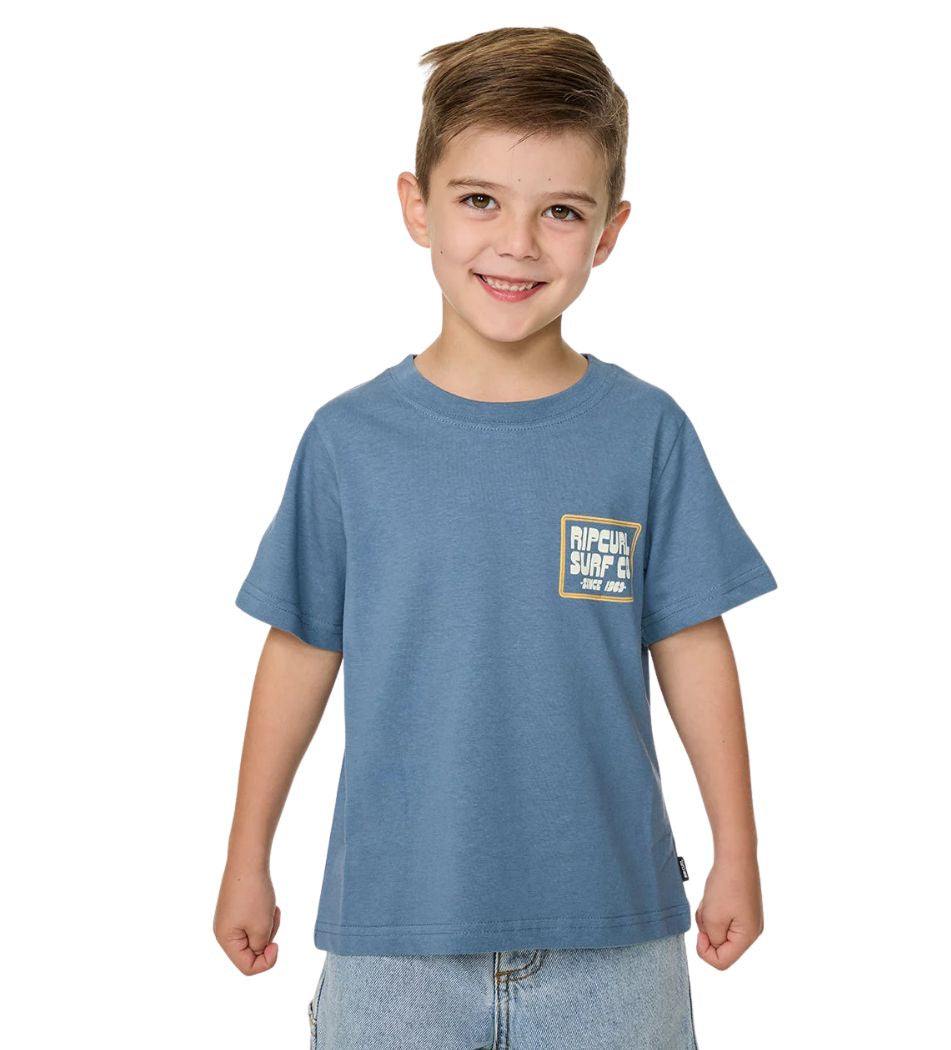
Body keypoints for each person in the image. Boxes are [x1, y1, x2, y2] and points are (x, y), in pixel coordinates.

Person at [214, 25, 778, 1049]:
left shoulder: (646, 433)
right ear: (416, 205)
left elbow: (692, 641)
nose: (517, 243)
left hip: (614, 931)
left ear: (608, 231)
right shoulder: (349, 442)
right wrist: (245, 855)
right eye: (480, 200)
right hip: (395, 938)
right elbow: (299, 648)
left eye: (560, 211)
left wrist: (736, 848)